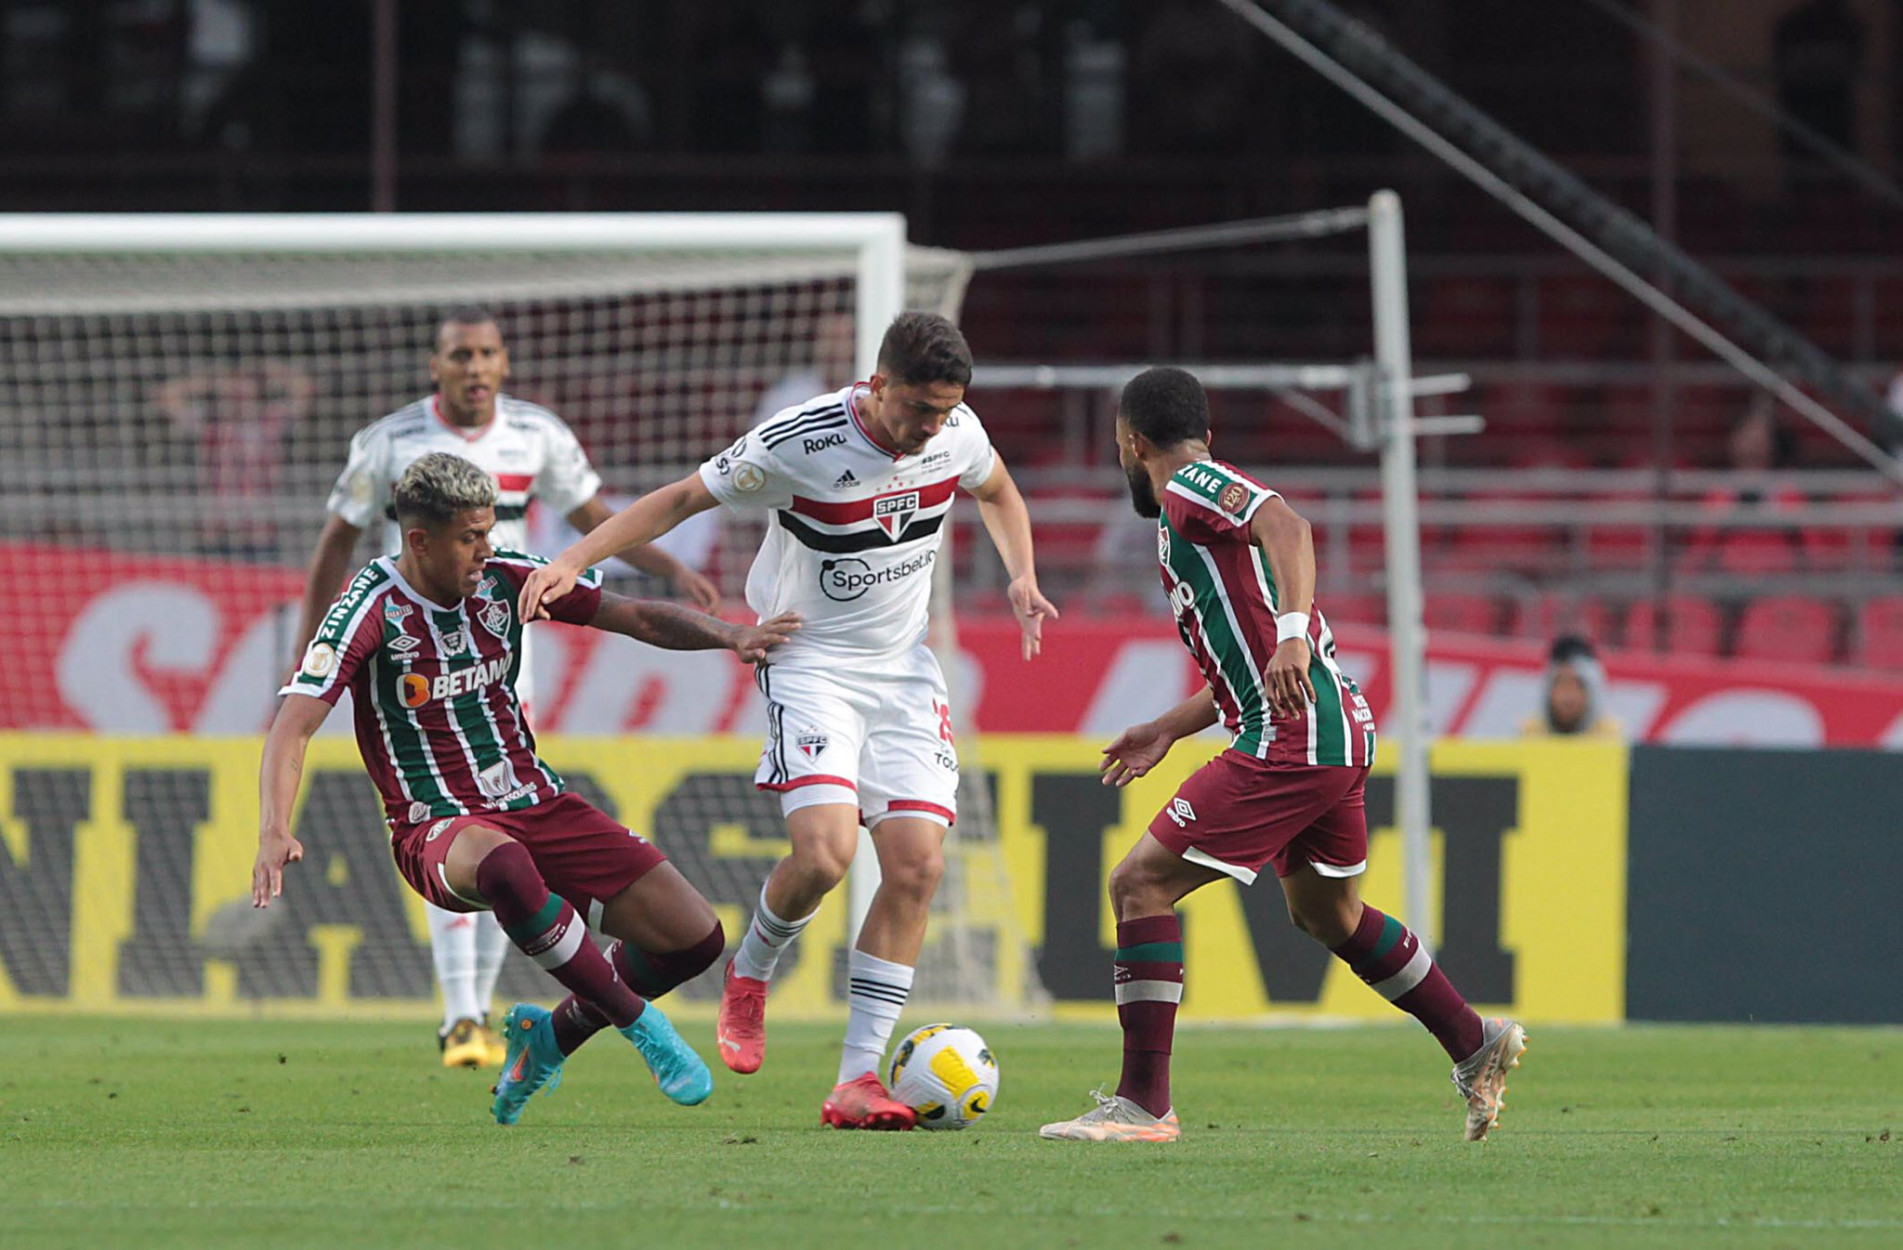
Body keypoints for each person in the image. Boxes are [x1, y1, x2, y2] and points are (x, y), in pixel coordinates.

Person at [518, 312, 1057, 1130]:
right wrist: (570, 559)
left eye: (943, 411)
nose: (928, 428)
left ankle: (855, 1081)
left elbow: (1000, 489)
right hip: (808, 661)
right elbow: (679, 501)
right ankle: (752, 968)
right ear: (877, 386)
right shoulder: (797, 440)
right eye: (916, 408)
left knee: (916, 869)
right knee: (828, 853)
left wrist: (1021, 574)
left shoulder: (958, 431)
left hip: (904, 670)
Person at [1039, 367, 1526, 1145]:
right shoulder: (1184, 514)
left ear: (1128, 441)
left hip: (1291, 738)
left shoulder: (1193, 487)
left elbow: (1288, 525)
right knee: (1326, 912)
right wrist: (1168, 726)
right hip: (1329, 730)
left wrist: (1295, 632)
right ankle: (1473, 1042)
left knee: (1139, 883)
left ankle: (1142, 1104)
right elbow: (1249, 659)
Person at [256, 453, 799, 1125]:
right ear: (418, 540)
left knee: (693, 939)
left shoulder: (508, 578)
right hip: (437, 828)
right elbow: (294, 724)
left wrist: (732, 635)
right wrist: (274, 826)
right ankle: (642, 1029)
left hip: (536, 802)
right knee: (503, 863)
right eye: (469, 537)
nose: (486, 549)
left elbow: (634, 617)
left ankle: (547, 1040)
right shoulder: (370, 606)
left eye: (488, 532)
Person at [292, 304, 720, 1069]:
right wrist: (309, 653)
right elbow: (338, 540)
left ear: (505, 362)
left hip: (501, 654)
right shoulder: (387, 445)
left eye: (488, 352)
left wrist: (673, 571)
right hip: (419, 668)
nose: (476, 367)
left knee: (515, 831)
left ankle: (524, 1020)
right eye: (461, 354)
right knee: (473, 837)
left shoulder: (536, 439)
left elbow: (595, 519)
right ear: (438, 364)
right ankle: (465, 1012)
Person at [1521, 635, 1623, 738]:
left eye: (1577, 685)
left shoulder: (1609, 737)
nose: (1568, 694)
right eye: (1561, 683)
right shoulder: (1530, 734)